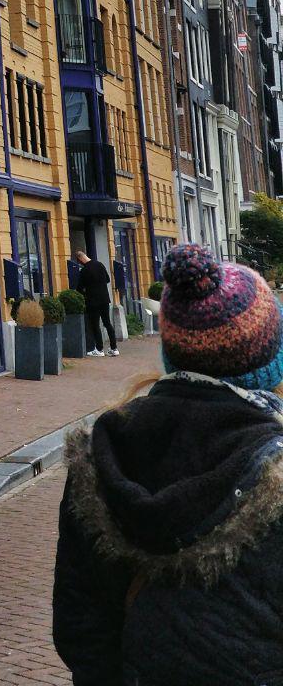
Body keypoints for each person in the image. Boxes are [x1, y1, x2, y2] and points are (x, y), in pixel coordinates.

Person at [53, 242, 283, 685]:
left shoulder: (103, 454)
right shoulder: (274, 464)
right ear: (268, 358)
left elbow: (79, 622)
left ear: (170, 349)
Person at [74, 248, 119, 356]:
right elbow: (107, 279)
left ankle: (99, 349)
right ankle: (114, 348)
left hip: (92, 301)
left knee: (95, 325)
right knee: (107, 323)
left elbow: (79, 288)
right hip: (104, 299)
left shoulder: (84, 271)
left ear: (80, 259)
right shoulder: (100, 265)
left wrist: (87, 289)